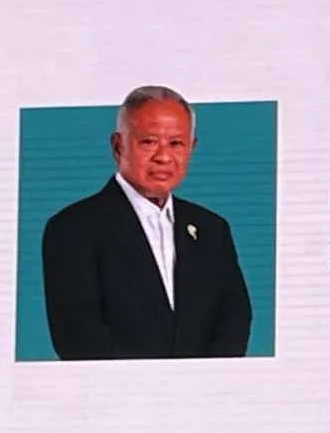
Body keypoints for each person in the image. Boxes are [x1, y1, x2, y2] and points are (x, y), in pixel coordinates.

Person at [41, 85, 252, 361]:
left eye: (176, 143)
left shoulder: (212, 229)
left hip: (205, 387)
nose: (163, 157)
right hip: (116, 387)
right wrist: (150, 381)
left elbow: (235, 316)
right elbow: (77, 332)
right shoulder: (73, 228)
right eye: (149, 142)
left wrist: (204, 379)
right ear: (118, 147)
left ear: (192, 148)